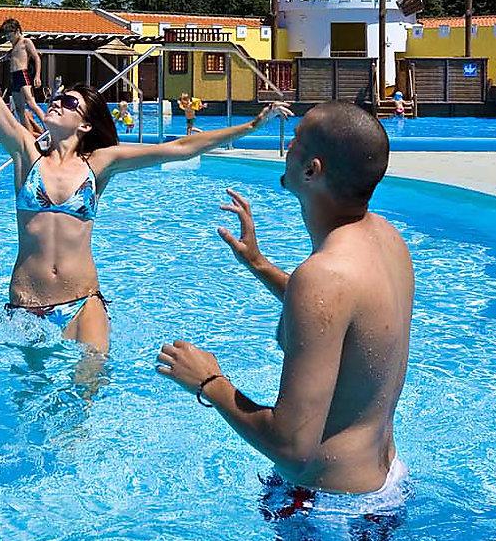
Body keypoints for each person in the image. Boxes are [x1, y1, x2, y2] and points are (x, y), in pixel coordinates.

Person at [0, 0, 290, 352]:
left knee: (89, 385)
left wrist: (249, 127)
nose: (56, 103)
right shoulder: (26, 153)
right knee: (31, 398)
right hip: (26, 304)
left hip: (84, 302)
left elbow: (179, 148)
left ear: (85, 126)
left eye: (69, 103)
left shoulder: (99, 164)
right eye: (58, 98)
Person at [155, 102, 412, 504]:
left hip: (331, 509)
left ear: (312, 169)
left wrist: (209, 382)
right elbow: (345, 322)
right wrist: (257, 264)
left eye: (296, 140)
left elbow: (293, 449)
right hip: (384, 481)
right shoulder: (386, 239)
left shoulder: (322, 277)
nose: (287, 145)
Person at [0, 19, 47, 133]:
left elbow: (36, 58)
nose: (8, 38)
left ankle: (49, 128)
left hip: (23, 74)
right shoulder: (14, 46)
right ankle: (28, 134)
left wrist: (37, 76)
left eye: (9, 35)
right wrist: (9, 54)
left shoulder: (26, 41)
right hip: (14, 77)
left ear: (17, 31)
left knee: (31, 104)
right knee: (19, 109)